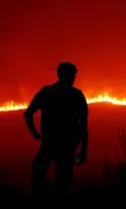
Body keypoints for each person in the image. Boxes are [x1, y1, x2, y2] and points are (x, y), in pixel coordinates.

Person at [24, 62, 89, 196]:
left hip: (50, 140)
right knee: (63, 178)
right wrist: (84, 149)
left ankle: (36, 199)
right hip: (68, 142)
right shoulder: (77, 95)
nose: (74, 78)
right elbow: (83, 124)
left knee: (38, 171)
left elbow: (28, 114)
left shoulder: (47, 92)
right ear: (71, 76)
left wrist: (35, 133)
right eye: (73, 75)